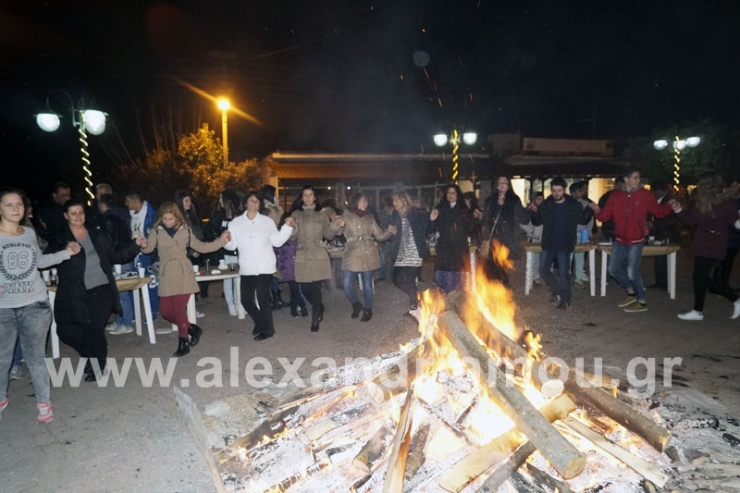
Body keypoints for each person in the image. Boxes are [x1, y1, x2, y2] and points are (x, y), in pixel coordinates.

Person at [0, 188, 80, 423]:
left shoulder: (29, 233)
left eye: (19, 204)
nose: (16, 208)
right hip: (4, 308)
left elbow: (40, 261)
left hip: (35, 303)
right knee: (2, 358)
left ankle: (44, 402)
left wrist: (66, 253)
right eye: (9, 204)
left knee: (35, 357)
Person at [47, 200, 145, 381]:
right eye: (73, 213)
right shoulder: (60, 239)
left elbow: (115, 255)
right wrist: (64, 250)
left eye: (81, 212)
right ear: (66, 216)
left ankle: (98, 365)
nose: (78, 216)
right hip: (74, 292)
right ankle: (91, 356)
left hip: (101, 289)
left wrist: (135, 245)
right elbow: (47, 257)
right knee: (66, 331)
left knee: (93, 328)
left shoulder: (96, 235)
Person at [140, 202, 230, 356]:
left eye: (171, 219)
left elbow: (202, 247)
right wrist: (141, 244)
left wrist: (222, 241)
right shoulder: (156, 231)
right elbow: (148, 249)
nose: (168, 222)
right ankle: (192, 328)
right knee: (166, 312)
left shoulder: (186, 231)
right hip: (166, 274)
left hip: (183, 273)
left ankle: (184, 342)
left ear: (177, 218)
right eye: (165, 219)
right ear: (161, 218)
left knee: (178, 310)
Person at [589, 168, 673, 313]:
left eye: (638, 177)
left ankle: (642, 301)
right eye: (635, 177)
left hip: (636, 240)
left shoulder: (644, 195)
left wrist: (670, 206)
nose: (638, 180)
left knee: (632, 272)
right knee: (613, 269)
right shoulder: (616, 196)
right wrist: (597, 211)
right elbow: (604, 216)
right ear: (626, 179)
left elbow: (658, 212)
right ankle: (631, 292)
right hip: (620, 239)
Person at [225, 191, 294, 340]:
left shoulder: (266, 221)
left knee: (263, 297)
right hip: (247, 266)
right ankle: (261, 322)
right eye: (251, 201)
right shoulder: (235, 223)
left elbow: (277, 241)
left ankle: (268, 330)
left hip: (265, 265)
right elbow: (232, 246)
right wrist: (227, 239)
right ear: (245, 203)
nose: (254, 204)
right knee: (245, 300)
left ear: (260, 205)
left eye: (257, 202)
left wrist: (287, 227)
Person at [669, 173, 740, 320]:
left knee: (701, 278)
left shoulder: (727, 203)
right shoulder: (703, 202)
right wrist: (678, 209)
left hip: (714, 244)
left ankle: (735, 299)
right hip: (703, 243)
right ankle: (697, 310)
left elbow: (735, 223)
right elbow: (690, 220)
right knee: (699, 277)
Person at [530, 177, 593, 309]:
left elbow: (582, 221)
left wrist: (590, 210)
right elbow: (537, 222)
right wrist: (535, 212)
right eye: (553, 190)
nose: (556, 193)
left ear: (564, 190)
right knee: (543, 270)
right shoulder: (546, 205)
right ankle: (558, 291)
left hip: (564, 243)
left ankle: (566, 298)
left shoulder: (573, 205)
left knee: (564, 273)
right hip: (549, 243)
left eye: (559, 190)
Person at [290, 185, 344, 332]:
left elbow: (328, 235)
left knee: (315, 288)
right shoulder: (296, 213)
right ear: (302, 198)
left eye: (310, 195)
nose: (308, 198)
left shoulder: (322, 214)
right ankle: (319, 306)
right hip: (303, 254)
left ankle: (315, 317)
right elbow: (293, 237)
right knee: (305, 288)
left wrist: (335, 226)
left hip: (319, 254)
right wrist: (292, 227)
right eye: (305, 195)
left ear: (315, 197)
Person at [341, 193, 393, 321]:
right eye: (364, 200)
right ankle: (356, 305)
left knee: (367, 285)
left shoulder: (369, 217)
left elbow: (379, 235)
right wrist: (337, 225)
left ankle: (368, 309)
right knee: (347, 284)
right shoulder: (345, 215)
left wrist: (389, 231)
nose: (367, 203)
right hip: (352, 253)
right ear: (356, 201)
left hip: (368, 252)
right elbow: (336, 231)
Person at [388, 190, 433, 319]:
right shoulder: (394, 216)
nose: (394, 203)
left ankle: (414, 306)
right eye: (393, 201)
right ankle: (417, 297)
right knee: (396, 279)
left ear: (403, 200)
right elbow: (391, 237)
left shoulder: (416, 214)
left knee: (410, 279)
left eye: (396, 200)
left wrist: (432, 220)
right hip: (401, 252)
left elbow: (428, 230)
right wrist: (392, 233)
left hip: (414, 251)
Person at [98, 193, 136, 335]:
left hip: (119, 256)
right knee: (121, 291)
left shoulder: (108, 218)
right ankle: (121, 320)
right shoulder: (125, 215)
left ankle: (126, 322)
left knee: (121, 292)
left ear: (103, 205)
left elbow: (110, 240)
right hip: (127, 254)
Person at [203, 190, 242, 316]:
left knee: (239, 278)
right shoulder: (218, 216)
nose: (219, 201)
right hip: (224, 253)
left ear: (228, 201)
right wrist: (217, 238)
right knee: (227, 278)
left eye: (221, 198)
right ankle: (231, 305)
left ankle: (239, 303)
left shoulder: (240, 216)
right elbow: (208, 230)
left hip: (239, 252)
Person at [430, 184, 473, 294]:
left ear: (458, 195)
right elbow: (430, 230)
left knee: (459, 277)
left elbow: (470, 228)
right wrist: (432, 220)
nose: (450, 195)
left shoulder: (463, 210)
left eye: (453, 193)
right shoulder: (440, 209)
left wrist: (470, 213)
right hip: (445, 248)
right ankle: (447, 299)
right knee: (444, 277)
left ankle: (457, 302)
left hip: (460, 248)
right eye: (448, 192)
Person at [125, 190, 159, 319]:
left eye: (128, 201)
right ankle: (133, 314)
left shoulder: (152, 214)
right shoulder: (131, 216)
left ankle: (152, 312)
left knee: (150, 283)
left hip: (148, 254)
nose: (126, 204)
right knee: (133, 283)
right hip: (134, 254)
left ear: (135, 200)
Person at [174, 190, 208, 307]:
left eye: (190, 200)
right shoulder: (177, 218)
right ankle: (188, 304)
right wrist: (192, 251)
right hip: (186, 253)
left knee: (199, 274)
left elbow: (197, 232)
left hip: (196, 250)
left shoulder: (191, 214)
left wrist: (199, 248)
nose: (189, 203)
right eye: (186, 201)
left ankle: (198, 298)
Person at [647, 179, 681, 290]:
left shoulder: (670, 200)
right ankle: (661, 282)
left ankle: (664, 283)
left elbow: (672, 219)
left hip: (667, 233)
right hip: (661, 233)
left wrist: (654, 224)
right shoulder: (664, 199)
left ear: (657, 190)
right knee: (660, 259)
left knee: (664, 259)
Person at [276, 208, 308, 318]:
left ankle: (293, 309)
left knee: (296, 288)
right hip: (287, 267)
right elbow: (275, 249)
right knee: (295, 288)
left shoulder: (298, 235)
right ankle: (303, 307)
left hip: (298, 265)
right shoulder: (281, 236)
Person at [259, 185, 287, 309]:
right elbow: (280, 221)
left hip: (269, 243)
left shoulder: (266, 208)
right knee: (274, 272)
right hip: (272, 243)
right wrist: (278, 207)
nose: (277, 197)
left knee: (273, 272)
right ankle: (275, 299)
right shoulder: (269, 209)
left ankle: (274, 298)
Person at [570, 181, 595, 289]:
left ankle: (573, 278)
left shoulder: (582, 203)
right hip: (578, 234)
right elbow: (591, 221)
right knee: (576, 257)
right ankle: (578, 279)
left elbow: (590, 220)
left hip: (576, 234)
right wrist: (588, 231)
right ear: (573, 192)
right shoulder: (585, 203)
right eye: (580, 191)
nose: (581, 193)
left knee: (572, 257)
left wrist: (588, 231)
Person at [520, 192, 544, 286]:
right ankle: (532, 278)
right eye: (538, 199)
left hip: (543, 238)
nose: (541, 201)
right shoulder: (528, 211)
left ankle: (538, 277)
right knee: (533, 259)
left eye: (542, 199)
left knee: (542, 259)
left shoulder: (543, 210)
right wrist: (532, 231)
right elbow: (522, 223)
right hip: (533, 239)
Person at [377, 194, 396, 281]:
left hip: (392, 238)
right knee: (384, 258)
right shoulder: (383, 213)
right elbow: (381, 225)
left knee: (392, 258)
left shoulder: (396, 212)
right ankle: (384, 275)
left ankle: (390, 275)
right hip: (385, 238)